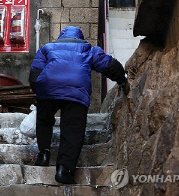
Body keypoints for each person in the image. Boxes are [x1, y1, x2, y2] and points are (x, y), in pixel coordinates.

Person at [29, 26, 129, 184]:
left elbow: (35, 74)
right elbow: (109, 65)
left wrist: (40, 94)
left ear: (61, 37)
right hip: (76, 93)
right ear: (80, 37)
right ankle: (64, 170)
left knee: (44, 120)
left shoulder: (47, 48)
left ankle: (43, 154)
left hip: (47, 88)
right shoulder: (88, 49)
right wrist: (122, 80)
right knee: (72, 129)